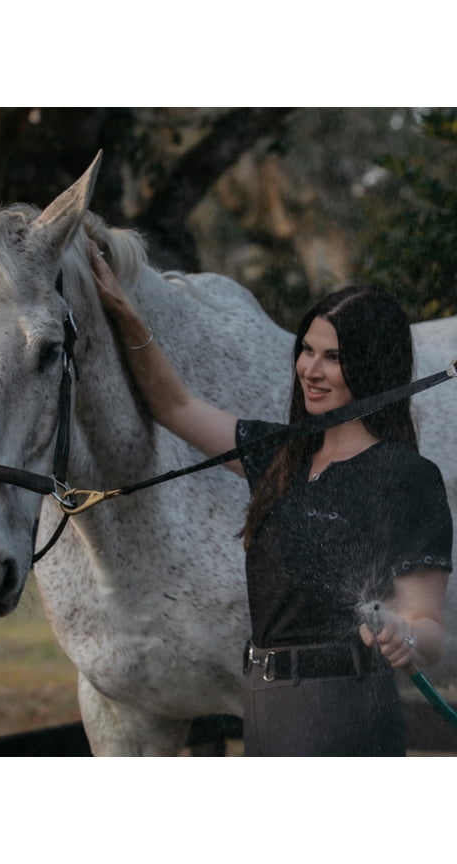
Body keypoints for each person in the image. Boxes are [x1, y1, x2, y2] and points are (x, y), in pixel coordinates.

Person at [89, 241, 453, 757]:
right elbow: (177, 406)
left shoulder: (406, 477)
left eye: (333, 357)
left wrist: (404, 634)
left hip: (346, 706)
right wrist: (125, 313)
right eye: (307, 350)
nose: (310, 369)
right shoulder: (280, 455)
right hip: (266, 702)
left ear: (371, 367)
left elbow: (430, 629)